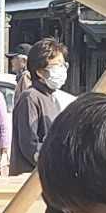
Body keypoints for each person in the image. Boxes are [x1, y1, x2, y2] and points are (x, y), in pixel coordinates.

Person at [9, 37, 67, 176]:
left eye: (64, 65)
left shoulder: (53, 99)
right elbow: (30, 145)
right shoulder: (30, 98)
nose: (62, 69)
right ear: (40, 72)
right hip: (28, 177)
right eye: (57, 65)